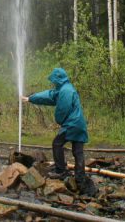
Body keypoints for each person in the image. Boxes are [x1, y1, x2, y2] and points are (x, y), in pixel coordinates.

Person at [22, 67, 97, 197]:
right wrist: (30, 98)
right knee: (78, 151)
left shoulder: (65, 91)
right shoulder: (63, 89)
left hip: (72, 124)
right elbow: (48, 96)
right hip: (79, 124)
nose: (53, 83)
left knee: (57, 144)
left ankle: (61, 170)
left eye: (54, 80)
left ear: (58, 79)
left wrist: (59, 120)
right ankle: (80, 177)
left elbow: (63, 109)